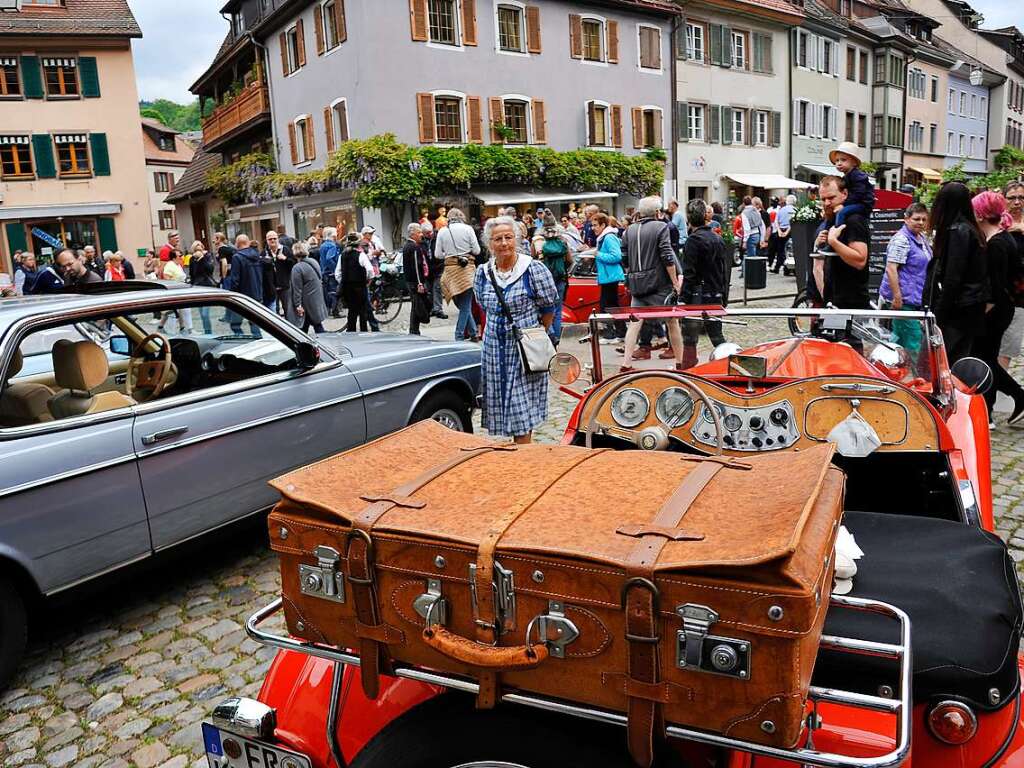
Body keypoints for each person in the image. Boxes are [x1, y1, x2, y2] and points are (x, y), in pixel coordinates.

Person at [473, 215, 559, 444]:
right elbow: (482, 303)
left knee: (521, 403)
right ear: (489, 244)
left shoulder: (533, 269)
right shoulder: (483, 272)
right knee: (502, 399)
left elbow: (549, 306)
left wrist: (537, 333)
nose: (503, 243)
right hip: (493, 346)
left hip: (523, 346)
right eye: (497, 239)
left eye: (508, 237)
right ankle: (514, 452)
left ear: (517, 240)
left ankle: (523, 454)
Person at [972, 191, 1024, 424]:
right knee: (987, 358)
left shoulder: (996, 245)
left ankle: (1016, 398)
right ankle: (991, 409)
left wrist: (980, 313)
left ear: (981, 215)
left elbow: (995, 286)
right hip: (1004, 307)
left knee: (985, 359)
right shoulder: (1004, 239)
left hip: (996, 310)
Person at [925, 182, 988, 364]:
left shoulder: (958, 231)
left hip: (958, 310)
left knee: (949, 361)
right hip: (968, 306)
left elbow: (953, 278)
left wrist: (939, 314)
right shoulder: (971, 229)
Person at [620, 196, 685, 371]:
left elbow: (624, 259)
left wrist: (632, 273)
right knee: (672, 322)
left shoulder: (629, 230)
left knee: (635, 323)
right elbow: (667, 256)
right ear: (657, 212)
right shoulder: (661, 227)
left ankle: (626, 363)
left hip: (637, 284)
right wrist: (674, 282)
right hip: (659, 285)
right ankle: (680, 363)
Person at [680, 199, 728, 368]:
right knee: (716, 334)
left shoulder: (693, 241)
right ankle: (728, 364)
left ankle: (688, 369)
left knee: (689, 337)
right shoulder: (717, 238)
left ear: (689, 218)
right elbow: (724, 272)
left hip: (697, 294)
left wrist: (683, 298)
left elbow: (689, 274)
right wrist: (723, 296)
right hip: (715, 292)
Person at [811, 176, 870, 312]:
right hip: (833, 299)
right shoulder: (832, 218)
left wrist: (833, 241)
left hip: (851, 304)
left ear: (845, 194)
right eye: (823, 199)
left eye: (831, 198)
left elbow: (860, 260)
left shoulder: (854, 220)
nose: (826, 203)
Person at [879, 202, 931, 355]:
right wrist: (897, 296)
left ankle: (887, 365)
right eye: (916, 219)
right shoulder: (902, 240)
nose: (920, 222)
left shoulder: (921, 238)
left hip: (914, 298)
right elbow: (891, 268)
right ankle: (916, 376)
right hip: (903, 299)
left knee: (900, 337)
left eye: (923, 219)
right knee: (913, 339)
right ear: (906, 219)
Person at [437, 208, 481, 341]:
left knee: (463, 306)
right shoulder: (468, 229)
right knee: (465, 306)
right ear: (461, 216)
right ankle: (459, 335)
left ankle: (473, 334)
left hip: (450, 272)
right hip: (467, 269)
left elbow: (437, 255)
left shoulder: (442, 231)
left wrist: (450, 255)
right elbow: (477, 251)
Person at [536, 214, 573, 345]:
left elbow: (532, 259)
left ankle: (550, 334)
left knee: (544, 309)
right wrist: (562, 268)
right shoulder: (562, 240)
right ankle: (557, 338)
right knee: (558, 310)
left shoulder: (537, 240)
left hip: (543, 279)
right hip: (560, 277)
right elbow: (570, 260)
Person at [1000, 182, 1024, 376]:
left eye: (1021, 198)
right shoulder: (998, 221)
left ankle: (1000, 380)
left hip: (1020, 295)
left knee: (1010, 343)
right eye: (1012, 198)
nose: (1017, 202)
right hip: (997, 291)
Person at [593, 213, 627, 344]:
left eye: (595, 225)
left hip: (610, 276)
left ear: (603, 225)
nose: (593, 228)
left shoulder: (608, 238)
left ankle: (610, 335)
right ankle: (619, 333)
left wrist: (598, 254)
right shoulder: (605, 237)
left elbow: (616, 256)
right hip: (608, 276)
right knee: (612, 306)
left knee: (607, 306)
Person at [828, 141, 876, 230]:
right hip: (854, 203)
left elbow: (858, 194)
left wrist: (844, 205)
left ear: (854, 162)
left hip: (863, 205)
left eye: (843, 160)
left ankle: (839, 231)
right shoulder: (847, 176)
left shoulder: (857, 176)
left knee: (841, 212)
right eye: (837, 160)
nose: (839, 163)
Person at [226, 234, 264, 337]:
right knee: (254, 322)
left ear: (237, 244)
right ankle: (258, 340)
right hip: (257, 294)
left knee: (235, 324)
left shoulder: (237, 257)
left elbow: (235, 280)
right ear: (248, 242)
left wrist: (232, 294)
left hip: (242, 296)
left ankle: (242, 339)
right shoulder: (257, 255)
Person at [288, 240, 329, 334]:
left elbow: (297, 289)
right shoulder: (314, 262)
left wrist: (298, 305)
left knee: (309, 327)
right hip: (316, 299)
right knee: (314, 324)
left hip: (306, 302)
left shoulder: (297, 268)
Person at [339, 232, 374, 332]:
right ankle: (363, 331)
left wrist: (344, 281)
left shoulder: (343, 255)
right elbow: (370, 270)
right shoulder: (361, 255)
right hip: (360, 285)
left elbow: (338, 272)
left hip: (347, 287)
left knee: (352, 311)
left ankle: (351, 331)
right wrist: (367, 279)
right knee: (362, 310)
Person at [402, 223, 430, 336]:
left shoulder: (408, 246)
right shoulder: (413, 247)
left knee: (416, 304)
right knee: (417, 305)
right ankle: (414, 329)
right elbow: (416, 266)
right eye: (419, 233)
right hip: (415, 282)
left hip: (411, 281)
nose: (421, 235)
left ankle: (414, 329)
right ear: (413, 234)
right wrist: (419, 283)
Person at [262, 231, 294, 314]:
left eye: (274, 238)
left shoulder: (285, 249)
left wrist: (285, 259)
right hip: (271, 287)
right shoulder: (264, 252)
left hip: (284, 285)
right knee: (273, 312)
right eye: (270, 239)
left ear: (278, 239)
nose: (272, 241)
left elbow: (294, 264)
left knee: (288, 309)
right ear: (267, 240)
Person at [189, 242, 218, 334]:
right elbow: (193, 273)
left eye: (200, 249)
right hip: (197, 288)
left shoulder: (207, 256)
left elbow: (210, 270)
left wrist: (202, 258)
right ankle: (207, 332)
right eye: (196, 250)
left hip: (206, 287)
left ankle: (209, 332)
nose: (198, 251)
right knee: (201, 314)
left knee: (205, 314)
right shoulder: (192, 259)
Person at [741, 196, 766, 277]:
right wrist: (762, 238)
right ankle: (745, 272)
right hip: (757, 234)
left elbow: (746, 228)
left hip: (750, 235)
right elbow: (762, 226)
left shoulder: (744, 213)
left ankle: (751, 275)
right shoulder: (757, 211)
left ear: (744, 203)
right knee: (753, 254)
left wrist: (744, 241)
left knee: (751, 257)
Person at [319, 227, 341, 317]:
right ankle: (335, 311)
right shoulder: (332, 245)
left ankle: (328, 310)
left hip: (324, 272)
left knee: (326, 292)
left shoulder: (323, 245)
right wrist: (335, 269)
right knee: (334, 291)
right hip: (330, 272)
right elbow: (329, 258)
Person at [771, 196, 796, 274]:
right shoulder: (795, 210)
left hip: (781, 230)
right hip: (791, 231)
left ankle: (777, 267)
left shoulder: (781, 210)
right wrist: (787, 232)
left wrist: (779, 231)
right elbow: (793, 222)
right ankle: (788, 269)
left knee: (780, 250)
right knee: (791, 250)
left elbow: (776, 221)